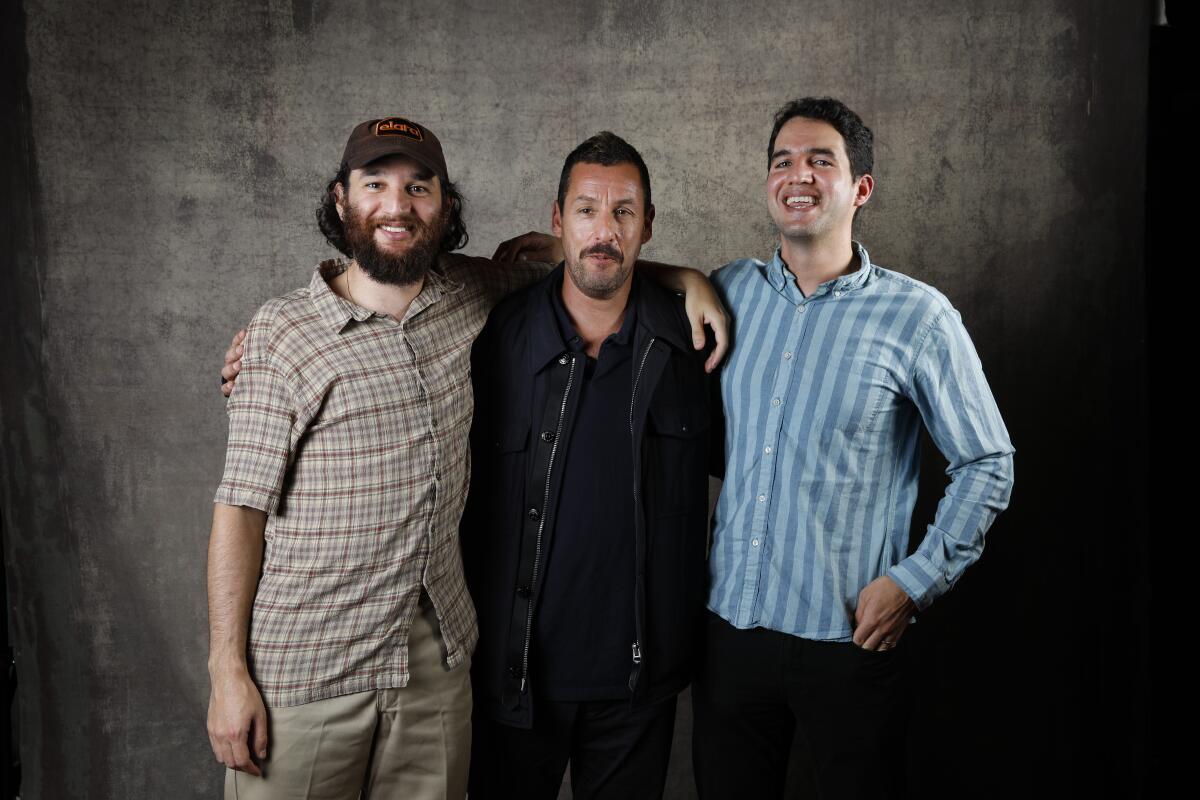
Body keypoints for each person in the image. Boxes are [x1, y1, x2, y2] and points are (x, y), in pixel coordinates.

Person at [207, 117, 726, 799]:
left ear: (445, 207)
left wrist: (689, 279)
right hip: (307, 671)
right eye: (376, 185)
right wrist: (226, 672)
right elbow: (239, 510)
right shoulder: (284, 332)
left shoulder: (471, 296)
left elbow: (596, 263)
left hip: (435, 670)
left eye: (418, 187)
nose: (397, 206)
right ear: (341, 199)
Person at [690, 97, 1016, 799]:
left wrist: (915, 581)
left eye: (820, 160)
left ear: (860, 187)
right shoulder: (727, 290)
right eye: (783, 161)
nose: (797, 175)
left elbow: (988, 463)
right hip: (729, 637)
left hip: (849, 644)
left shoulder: (918, 317)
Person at [461, 132, 711, 799]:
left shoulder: (693, 346)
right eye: (587, 211)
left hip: (637, 689)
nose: (605, 231)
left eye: (624, 212)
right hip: (511, 684)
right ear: (556, 219)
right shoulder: (493, 339)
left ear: (648, 226)